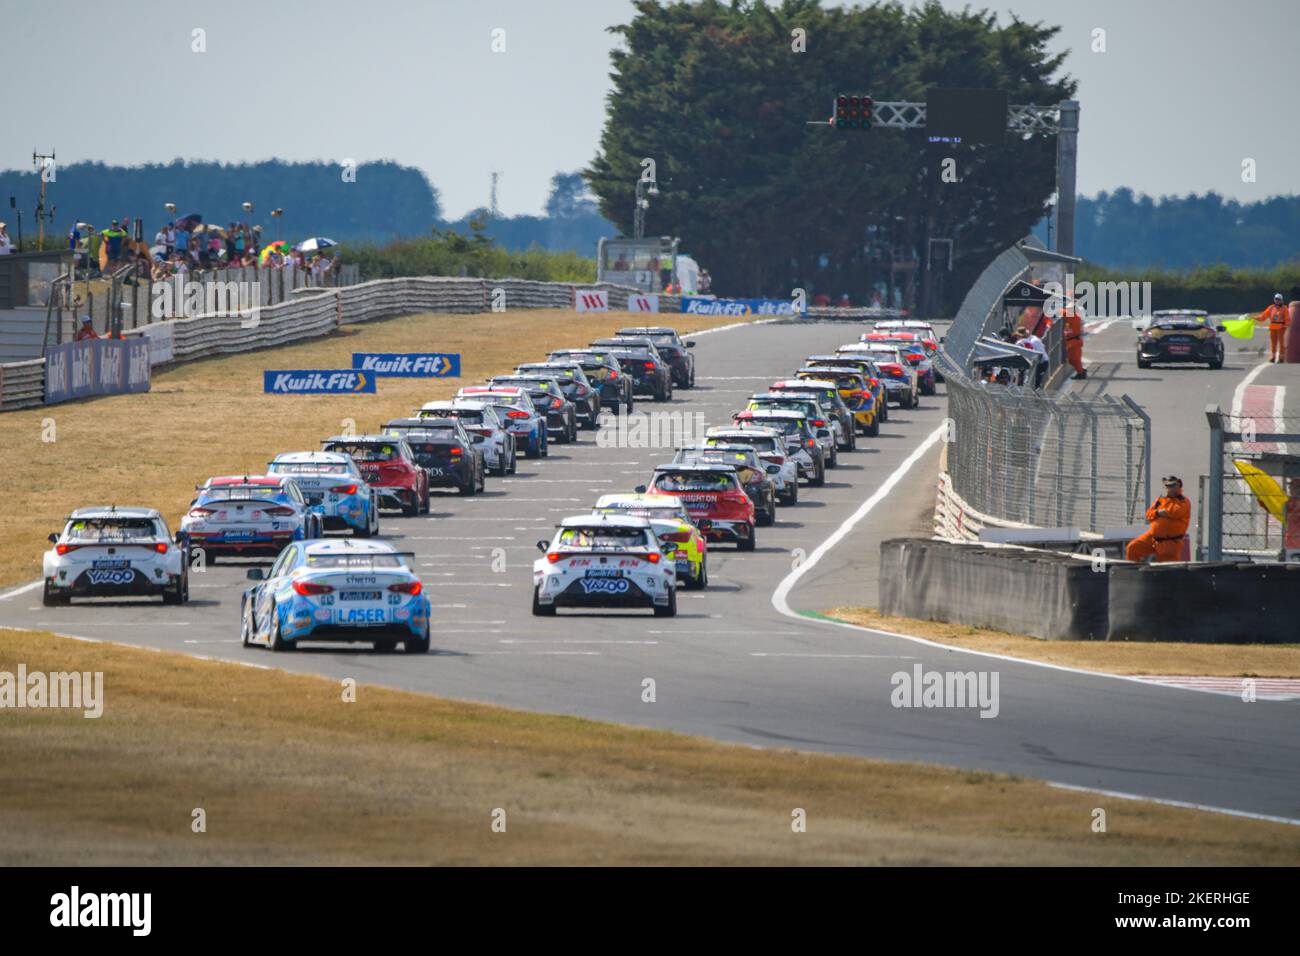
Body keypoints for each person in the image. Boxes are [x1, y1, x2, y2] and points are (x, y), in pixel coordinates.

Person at [1126, 476, 1191, 563]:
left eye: (1172, 486)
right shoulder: (1161, 500)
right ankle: (1134, 574)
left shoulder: (1183, 501)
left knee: (1167, 569)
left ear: (1178, 486)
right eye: (1167, 486)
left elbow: (1175, 512)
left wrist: (1161, 512)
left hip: (1170, 542)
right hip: (1152, 538)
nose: (1169, 489)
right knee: (1133, 548)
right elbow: (1149, 514)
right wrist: (1158, 513)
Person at [1257, 293, 1289, 363]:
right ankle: (1273, 357)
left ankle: (1281, 358)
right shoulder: (1271, 307)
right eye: (1276, 299)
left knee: (1281, 343)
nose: (1277, 300)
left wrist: (1285, 326)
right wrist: (1256, 318)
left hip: (1281, 328)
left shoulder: (1285, 308)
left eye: (1279, 299)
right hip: (1273, 328)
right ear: (1274, 299)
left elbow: (1287, 319)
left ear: (1281, 300)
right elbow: (1263, 316)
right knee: (1273, 343)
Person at [1063, 302, 1086, 379]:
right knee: (1071, 360)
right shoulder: (1072, 315)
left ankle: (1081, 373)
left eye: (1069, 309)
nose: (1068, 310)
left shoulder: (1074, 317)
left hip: (1075, 341)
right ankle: (1081, 371)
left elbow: (1064, 313)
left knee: (1075, 359)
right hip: (1072, 341)